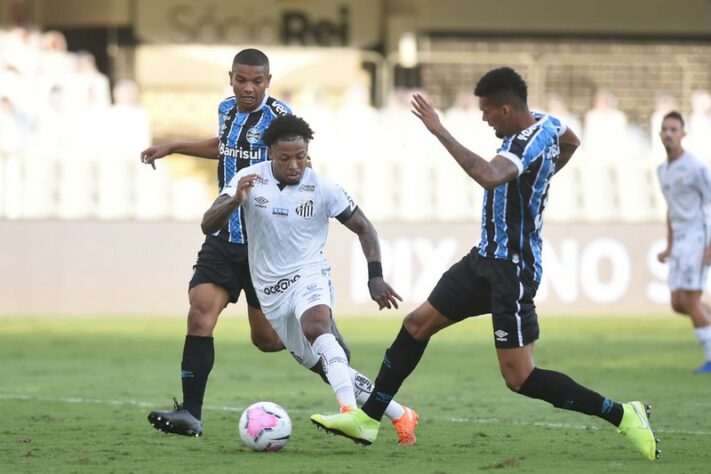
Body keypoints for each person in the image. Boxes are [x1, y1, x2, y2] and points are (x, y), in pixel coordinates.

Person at [310, 67, 660, 461]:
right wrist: (542, 176)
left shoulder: (523, 144)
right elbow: (571, 141)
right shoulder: (550, 125)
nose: (484, 118)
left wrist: (439, 129)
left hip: (513, 271)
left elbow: (489, 176)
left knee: (520, 377)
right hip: (483, 260)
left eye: (488, 112)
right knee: (415, 324)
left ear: (507, 109)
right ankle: (369, 418)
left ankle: (622, 414)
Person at [201, 115, 420, 445]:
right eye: (285, 157)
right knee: (329, 368)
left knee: (317, 325)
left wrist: (375, 276)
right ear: (270, 154)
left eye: (300, 156)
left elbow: (365, 228)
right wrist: (235, 201)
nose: (294, 164)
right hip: (271, 290)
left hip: (309, 273)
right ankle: (401, 414)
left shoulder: (322, 187)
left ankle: (350, 413)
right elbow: (207, 224)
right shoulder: (248, 179)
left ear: (308, 154)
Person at [142, 48, 321, 437]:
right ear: (231, 78)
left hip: (264, 247)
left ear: (268, 82)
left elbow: (300, 170)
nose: (248, 88)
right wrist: (173, 146)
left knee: (268, 341)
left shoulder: (281, 119)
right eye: (241, 80)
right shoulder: (226, 109)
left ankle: (337, 367)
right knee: (200, 312)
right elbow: (223, 147)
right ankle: (190, 414)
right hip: (224, 236)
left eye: (257, 81)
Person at [655, 111, 711, 373]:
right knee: (678, 303)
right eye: (665, 129)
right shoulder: (662, 170)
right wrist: (669, 244)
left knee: (690, 300)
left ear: (683, 134)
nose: (668, 133)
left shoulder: (696, 168)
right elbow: (671, 209)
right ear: (659, 134)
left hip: (698, 237)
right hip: (680, 242)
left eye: (674, 129)